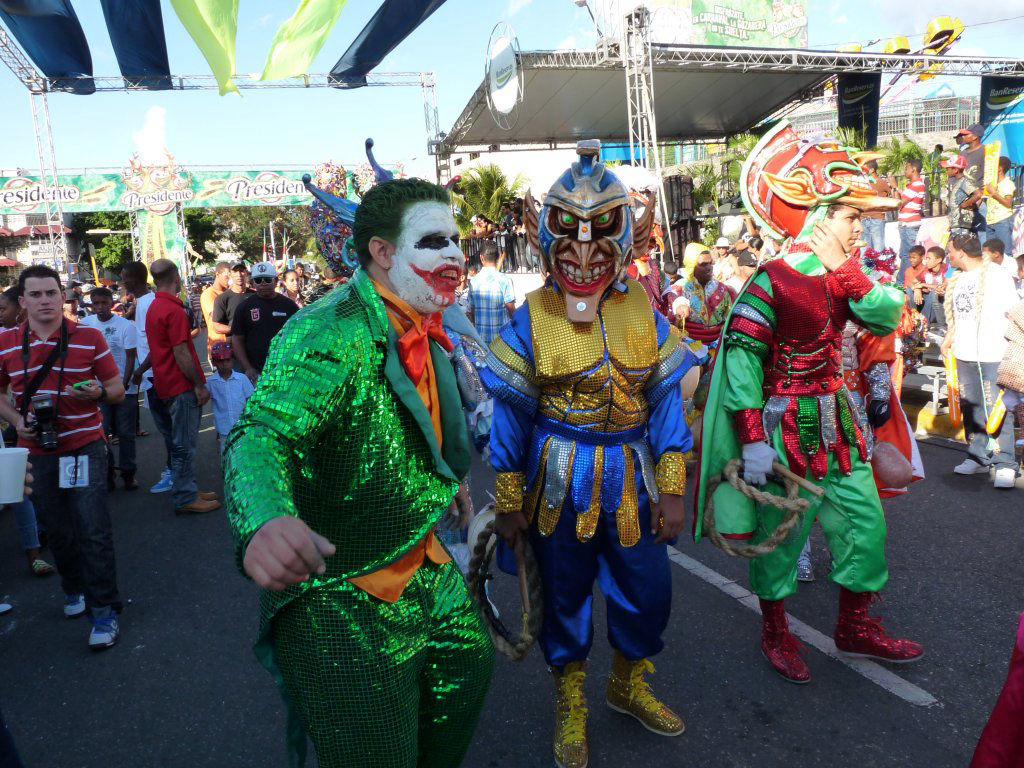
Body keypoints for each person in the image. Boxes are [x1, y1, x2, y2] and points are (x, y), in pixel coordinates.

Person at [224, 177, 493, 768]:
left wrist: (450, 488)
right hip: (344, 593)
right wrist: (264, 517)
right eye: (434, 241)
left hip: (426, 561)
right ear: (383, 252)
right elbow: (261, 431)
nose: (454, 255)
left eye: (455, 240)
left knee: (468, 671)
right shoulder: (330, 330)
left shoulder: (426, 320)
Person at [485, 144, 695, 768]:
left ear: (629, 234)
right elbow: (510, 415)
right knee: (566, 595)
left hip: (633, 481)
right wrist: (506, 501)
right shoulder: (531, 315)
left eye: (601, 232)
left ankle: (627, 683)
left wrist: (675, 487)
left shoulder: (644, 310)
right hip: (556, 484)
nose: (582, 251)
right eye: (567, 234)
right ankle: (570, 697)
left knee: (649, 591)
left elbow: (665, 407)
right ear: (541, 235)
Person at [697, 123, 923, 685]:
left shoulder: (850, 276)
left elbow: (886, 315)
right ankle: (775, 628)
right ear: (816, 216)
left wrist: (846, 271)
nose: (858, 227)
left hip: (840, 424)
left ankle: (855, 626)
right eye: (850, 217)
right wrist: (750, 436)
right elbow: (745, 358)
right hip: (783, 429)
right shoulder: (772, 279)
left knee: (865, 525)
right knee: (782, 540)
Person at [0, 265, 126, 650]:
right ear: (22, 301)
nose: (44, 301)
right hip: (37, 452)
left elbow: (117, 388)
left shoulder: (88, 336)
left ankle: (104, 611)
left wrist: (98, 396)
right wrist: (18, 420)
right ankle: (74, 588)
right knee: (57, 531)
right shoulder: (5, 344)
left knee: (92, 528)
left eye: (51, 293)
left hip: (84, 444)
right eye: (35, 295)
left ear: (62, 297)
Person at [940, 234, 1019, 489]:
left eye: (950, 251)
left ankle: (1005, 462)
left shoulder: (998, 276)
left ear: (961, 252)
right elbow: (959, 317)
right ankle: (977, 455)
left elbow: (1014, 313)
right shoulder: (958, 279)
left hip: (993, 353)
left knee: (997, 409)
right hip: (965, 354)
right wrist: (949, 340)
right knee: (971, 406)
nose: (948, 256)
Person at [145, 258, 220, 515]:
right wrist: (199, 385)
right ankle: (186, 495)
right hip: (180, 386)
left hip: (166, 384)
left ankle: (186, 488)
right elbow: (182, 352)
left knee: (180, 442)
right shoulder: (172, 310)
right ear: (176, 278)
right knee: (184, 444)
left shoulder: (155, 306)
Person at [121, 261, 173, 494]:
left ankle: (175, 473)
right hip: (153, 377)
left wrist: (140, 370)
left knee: (169, 429)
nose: (122, 282)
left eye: (124, 278)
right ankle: (177, 472)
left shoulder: (150, 304)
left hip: (157, 378)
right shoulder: (141, 304)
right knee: (168, 430)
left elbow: (158, 344)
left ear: (133, 280)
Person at [81, 287, 138, 491]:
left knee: (125, 433)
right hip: (97, 391)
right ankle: (107, 473)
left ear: (111, 302)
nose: (100, 307)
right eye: (96, 303)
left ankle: (128, 473)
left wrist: (123, 384)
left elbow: (131, 357)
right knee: (102, 433)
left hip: (125, 389)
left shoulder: (125, 326)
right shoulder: (85, 325)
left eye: (104, 303)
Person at [230, 262, 299, 383]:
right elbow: (237, 339)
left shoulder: (289, 306)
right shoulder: (244, 307)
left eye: (267, 279)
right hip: (256, 373)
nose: (263, 283)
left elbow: (299, 336)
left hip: (284, 370)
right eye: (258, 280)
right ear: (252, 283)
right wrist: (248, 368)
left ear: (276, 280)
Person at [206, 341, 253, 455]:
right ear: (214, 362)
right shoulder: (211, 382)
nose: (224, 364)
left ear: (232, 360)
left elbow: (250, 400)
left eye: (227, 360)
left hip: (243, 427)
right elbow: (203, 397)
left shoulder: (242, 379)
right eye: (220, 361)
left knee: (244, 454)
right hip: (224, 429)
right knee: (227, 455)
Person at [679, 248, 733, 344]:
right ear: (692, 265)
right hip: (690, 345)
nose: (709, 267)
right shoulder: (681, 289)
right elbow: (677, 323)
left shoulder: (722, 288)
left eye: (710, 263)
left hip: (717, 344)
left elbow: (729, 319)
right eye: (703, 264)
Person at [467, 241, 515, 345]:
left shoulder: (473, 282)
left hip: (481, 341)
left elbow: (472, 311)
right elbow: (511, 310)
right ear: (498, 258)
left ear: (481, 258)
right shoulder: (505, 280)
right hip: (502, 343)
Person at [211, 262, 254, 360]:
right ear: (230, 274)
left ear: (246, 273)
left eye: (241, 271)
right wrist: (238, 329)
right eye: (235, 271)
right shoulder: (222, 298)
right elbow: (217, 326)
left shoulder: (255, 296)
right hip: (234, 348)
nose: (239, 274)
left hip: (255, 345)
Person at [897, 159, 926, 277]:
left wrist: (894, 187)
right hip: (905, 223)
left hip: (910, 224)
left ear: (913, 169)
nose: (905, 171)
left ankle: (904, 280)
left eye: (906, 168)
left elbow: (901, 202)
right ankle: (904, 279)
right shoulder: (912, 185)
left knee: (909, 255)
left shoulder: (917, 185)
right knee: (904, 254)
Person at [942, 154, 983, 237]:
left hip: (961, 224)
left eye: (948, 168)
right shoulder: (958, 182)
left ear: (956, 170)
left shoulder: (964, 182)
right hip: (957, 224)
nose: (946, 170)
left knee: (960, 247)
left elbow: (978, 194)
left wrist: (965, 204)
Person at [200, 261, 231, 363]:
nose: (229, 280)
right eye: (227, 277)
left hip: (232, 344)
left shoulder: (229, 292)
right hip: (218, 345)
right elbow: (217, 316)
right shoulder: (208, 294)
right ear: (217, 274)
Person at [985, 156, 1016, 249]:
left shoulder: (1007, 183)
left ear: (999, 168)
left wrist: (993, 193)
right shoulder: (993, 184)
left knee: (1005, 251)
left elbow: (1008, 203)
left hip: (1002, 221)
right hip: (990, 221)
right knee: (991, 252)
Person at [860, 160, 892, 252]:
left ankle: (876, 266)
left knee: (878, 250)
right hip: (864, 219)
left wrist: (885, 208)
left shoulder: (881, 182)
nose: (862, 170)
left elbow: (892, 196)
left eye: (865, 168)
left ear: (872, 170)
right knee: (865, 251)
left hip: (876, 219)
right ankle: (866, 267)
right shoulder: (863, 182)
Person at [913, 246, 948, 327]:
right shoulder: (926, 270)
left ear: (939, 260)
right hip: (928, 304)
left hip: (942, 305)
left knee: (933, 293)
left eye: (929, 258)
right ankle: (915, 320)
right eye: (926, 258)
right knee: (908, 291)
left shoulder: (947, 268)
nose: (926, 261)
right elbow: (912, 282)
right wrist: (917, 289)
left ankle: (929, 324)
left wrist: (923, 284)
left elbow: (942, 286)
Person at [956, 123, 986, 189]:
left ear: (975, 137)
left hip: (979, 192)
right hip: (964, 191)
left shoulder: (985, 151)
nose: (963, 136)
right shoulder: (963, 153)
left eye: (966, 134)